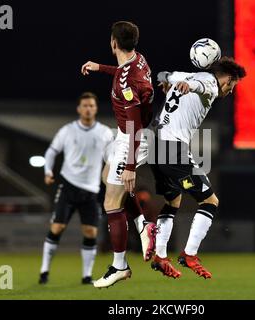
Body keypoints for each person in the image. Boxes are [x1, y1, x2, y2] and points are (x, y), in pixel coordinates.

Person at [150, 57, 246, 279]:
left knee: (172, 200)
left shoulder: (187, 75)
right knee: (210, 201)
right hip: (173, 151)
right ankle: (189, 254)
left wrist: (169, 83)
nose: (231, 91)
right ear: (229, 79)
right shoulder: (209, 83)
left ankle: (160, 257)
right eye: (233, 85)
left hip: (155, 145)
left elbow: (164, 74)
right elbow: (201, 86)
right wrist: (187, 86)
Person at [81, 21, 157, 288]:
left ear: (114, 42)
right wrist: (99, 67)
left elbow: (135, 125)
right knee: (105, 176)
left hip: (132, 139)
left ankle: (119, 266)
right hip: (127, 136)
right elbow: (123, 72)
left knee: (111, 202)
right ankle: (143, 223)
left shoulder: (128, 81)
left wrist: (130, 166)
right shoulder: (139, 60)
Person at [39, 92, 114, 285]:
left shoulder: (105, 133)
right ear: (79, 109)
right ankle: (44, 271)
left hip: (91, 190)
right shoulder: (68, 130)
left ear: (96, 109)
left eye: (91, 105)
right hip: (68, 185)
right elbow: (51, 151)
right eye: (85, 106)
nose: (88, 109)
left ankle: (86, 276)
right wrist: (48, 171)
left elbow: (111, 159)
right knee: (57, 227)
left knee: (91, 233)